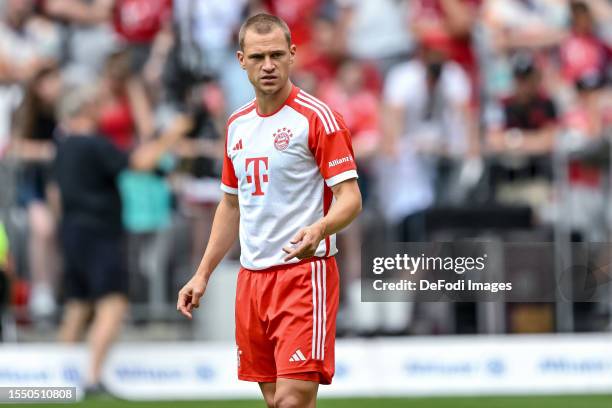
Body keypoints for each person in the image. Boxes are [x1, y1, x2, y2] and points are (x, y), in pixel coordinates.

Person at [177, 13, 362, 408]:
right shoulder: (236, 125)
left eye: (277, 55)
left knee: (291, 401)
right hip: (253, 280)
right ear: (240, 60)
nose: (268, 65)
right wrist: (202, 273)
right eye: (258, 57)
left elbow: (350, 198)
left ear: (293, 55)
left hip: (303, 275)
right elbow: (230, 204)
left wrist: (321, 228)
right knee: (276, 400)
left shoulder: (318, 118)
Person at [51, 84, 191, 394]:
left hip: (72, 230)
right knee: (113, 302)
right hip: (99, 233)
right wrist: (173, 133)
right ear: (85, 109)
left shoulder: (63, 146)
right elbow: (140, 162)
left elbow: (54, 195)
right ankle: (91, 377)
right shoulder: (93, 144)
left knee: (78, 305)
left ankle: (55, 377)